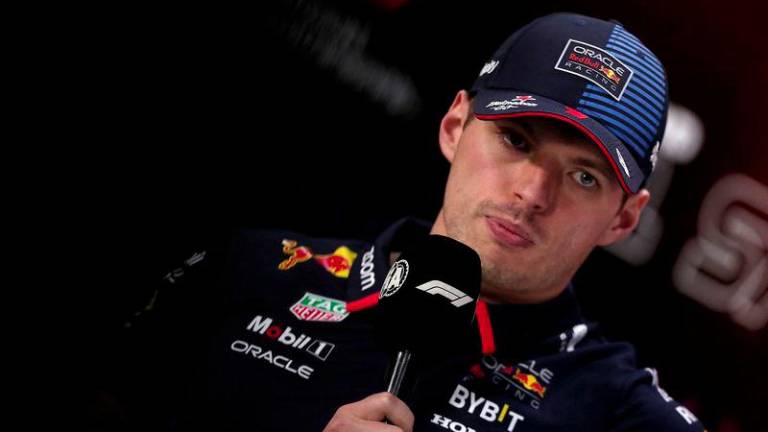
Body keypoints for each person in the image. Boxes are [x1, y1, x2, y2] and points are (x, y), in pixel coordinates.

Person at [112, 12, 706, 432]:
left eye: (583, 177)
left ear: (624, 219)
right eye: (515, 138)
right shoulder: (247, 273)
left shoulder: (626, 417)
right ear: (454, 127)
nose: (531, 192)